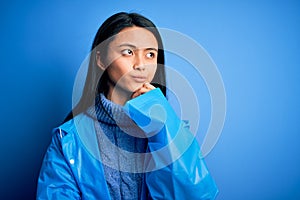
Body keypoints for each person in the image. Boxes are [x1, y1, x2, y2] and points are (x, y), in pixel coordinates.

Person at [37, 12, 218, 199]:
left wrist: (163, 128)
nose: (141, 65)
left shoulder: (173, 129)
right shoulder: (68, 139)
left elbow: (195, 195)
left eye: (150, 54)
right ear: (101, 59)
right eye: (128, 52)